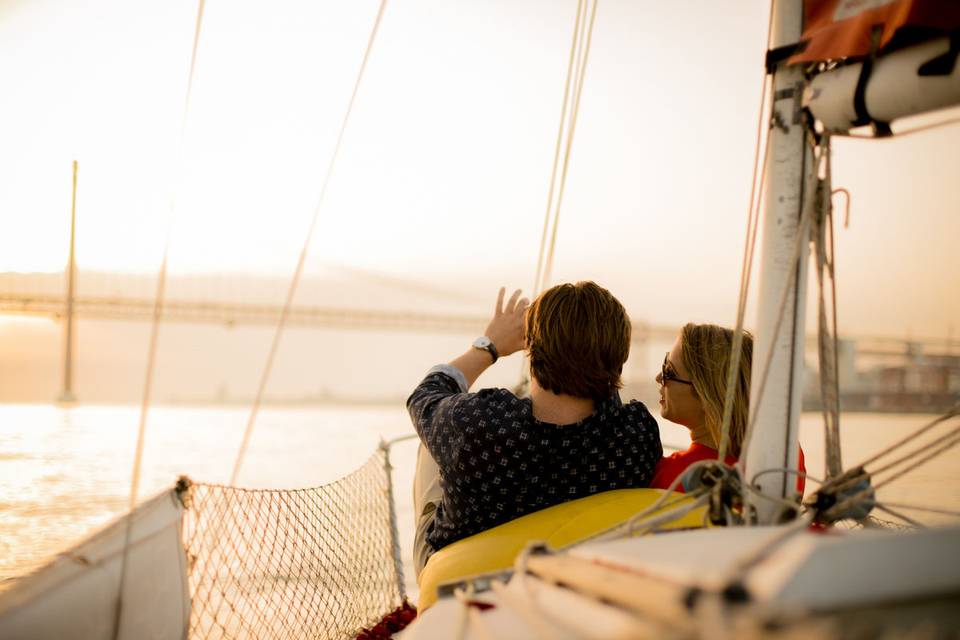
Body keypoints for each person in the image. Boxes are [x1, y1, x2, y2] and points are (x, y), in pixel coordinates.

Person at [407, 282, 662, 578]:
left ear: (532, 347)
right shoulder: (637, 434)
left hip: (463, 577)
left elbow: (426, 393)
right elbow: (607, 404)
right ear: (621, 355)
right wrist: (595, 358)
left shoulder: (475, 424)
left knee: (432, 437)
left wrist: (489, 346)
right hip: (577, 575)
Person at [649, 323, 806, 493]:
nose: (659, 377)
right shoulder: (787, 455)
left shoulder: (670, 478)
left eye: (669, 371)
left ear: (706, 394)